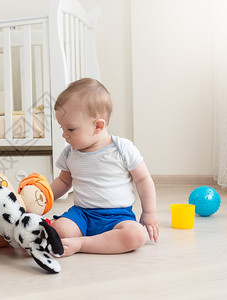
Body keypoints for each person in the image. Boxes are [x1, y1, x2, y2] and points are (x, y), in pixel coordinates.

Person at [50, 78, 159, 257]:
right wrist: (44, 198)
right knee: (60, 229)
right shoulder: (70, 153)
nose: (64, 135)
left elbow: (143, 179)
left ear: (98, 126)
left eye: (70, 129)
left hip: (117, 217)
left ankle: (82, 244)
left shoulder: (122, 149)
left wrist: (150, 212)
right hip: (82, 215)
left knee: (136, 235)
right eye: (62, 128)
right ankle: (93, 241)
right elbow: (63, 181)